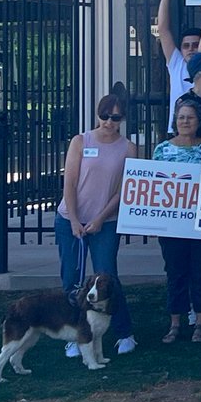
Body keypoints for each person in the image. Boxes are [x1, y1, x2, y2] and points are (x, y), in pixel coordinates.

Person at [55, 93, 137, 356]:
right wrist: (75, 219)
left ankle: (124, 333)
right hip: (71, 219)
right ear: (97, 115)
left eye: (115, 117)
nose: (109, 122)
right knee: (72, 279)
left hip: (106, 221)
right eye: (105, 116)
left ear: (122, 119)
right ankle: (77, 334)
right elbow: (70, 181)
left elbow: (125, 187)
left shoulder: (128, 147)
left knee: (107, 277)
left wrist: (101, 218)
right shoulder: (81, 141)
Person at [154, 102, 201, 343]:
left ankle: (200, 322)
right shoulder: (162, 150)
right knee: (175, 272)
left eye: (190, 117)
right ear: (175, 121)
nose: (185, 121)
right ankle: (175, 323)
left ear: (198, 121)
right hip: (171, 225)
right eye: (181, 117)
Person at [156, 0, 201, 133]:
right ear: (180, 49)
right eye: (186, 46)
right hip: (176, 131)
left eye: (195, 44)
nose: (191, 49)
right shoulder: (176, 63)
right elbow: (163, 29)